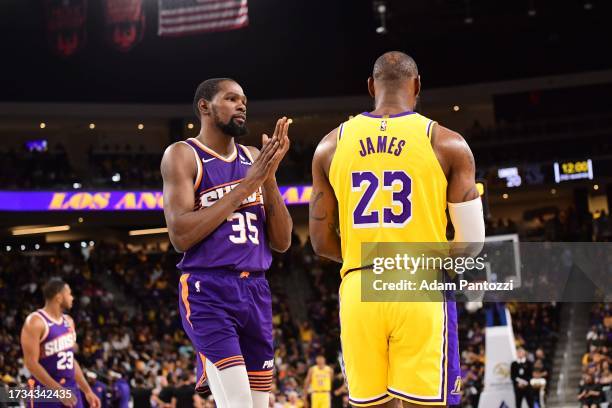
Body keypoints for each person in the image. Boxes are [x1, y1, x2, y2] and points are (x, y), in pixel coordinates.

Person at [309, 51, 484, 407]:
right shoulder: (447, 142)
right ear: (417, 85)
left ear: (371, 86)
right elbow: (472, 243)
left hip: (359, 287)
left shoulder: (329, 145)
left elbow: (321, 242)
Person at [161, 78, 293, 407]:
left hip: (256, 292)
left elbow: (282, 241)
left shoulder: (253, 158)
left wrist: (270, 178)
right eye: (231, 98)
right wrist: (247, 186)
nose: (242, 105)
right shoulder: (183, 154)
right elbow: (179, 235)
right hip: (210, 289)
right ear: (205, 107)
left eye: (244, 100)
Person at [20, 278, 101, 408]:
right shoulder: (35, 321)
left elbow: (71, 361)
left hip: (70, 388)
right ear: (58, 297)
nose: (72, 297)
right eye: (69, 294)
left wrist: (87, 390)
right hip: (45, 391)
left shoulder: (69, 321)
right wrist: (58, 390)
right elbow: (31, 363)